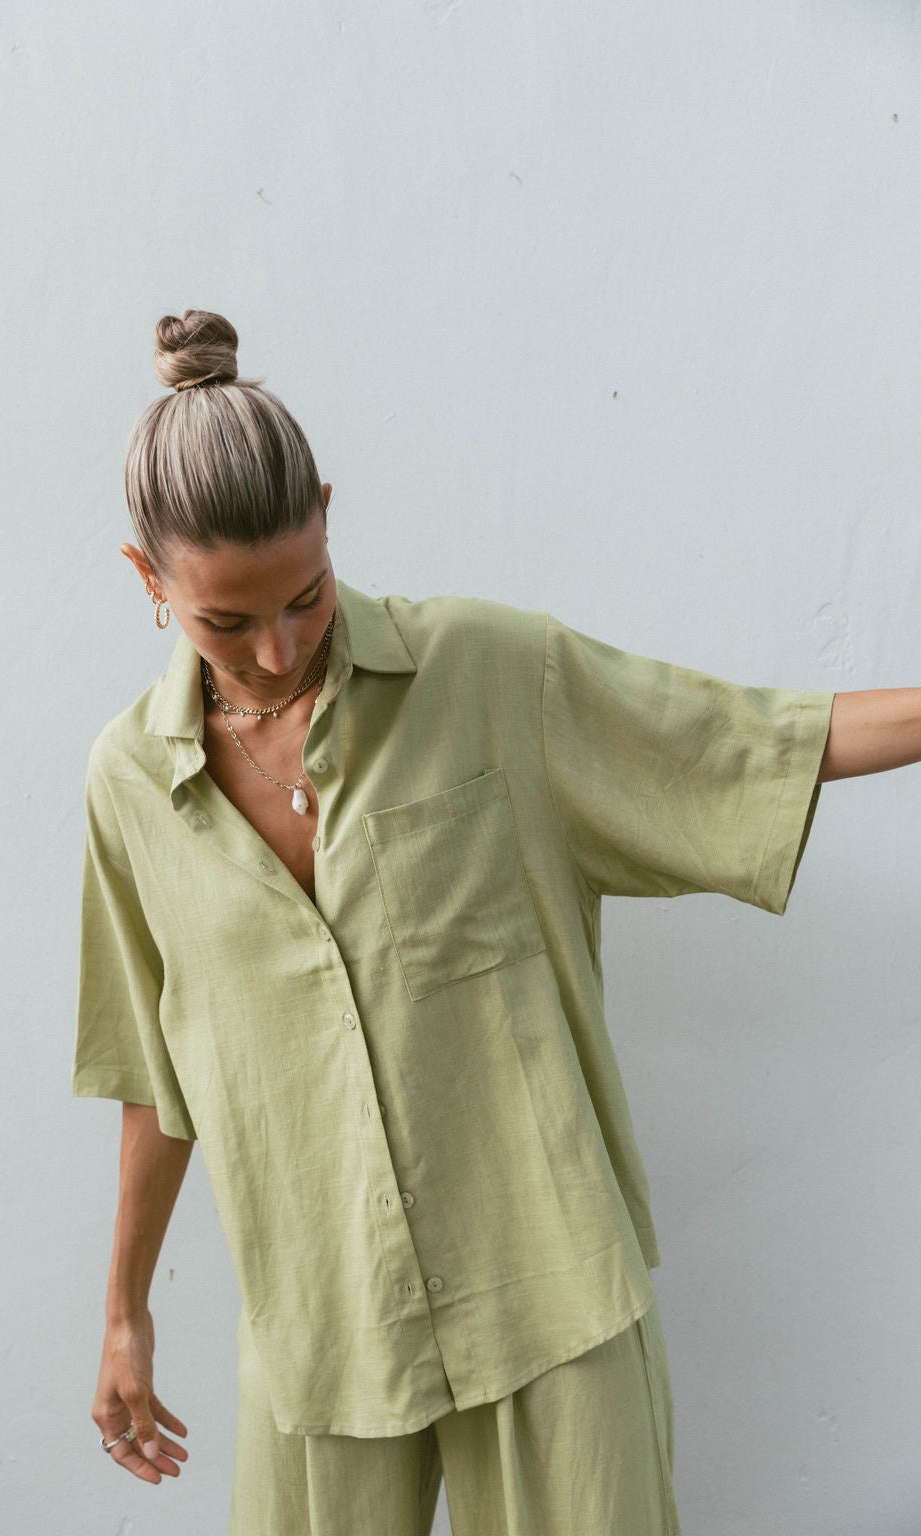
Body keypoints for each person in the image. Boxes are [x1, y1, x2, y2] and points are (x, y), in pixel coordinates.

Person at [73, 308, 921, 1536]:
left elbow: (742, 738)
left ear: (326, 513)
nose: (278, 648)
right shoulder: (128, 787)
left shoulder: (484, 672)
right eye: (226, 622)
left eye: (305, 598)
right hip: (321, 1324)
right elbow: (156, 1077)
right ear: (147, 580)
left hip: (548, 1292)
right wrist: (124, 1312)